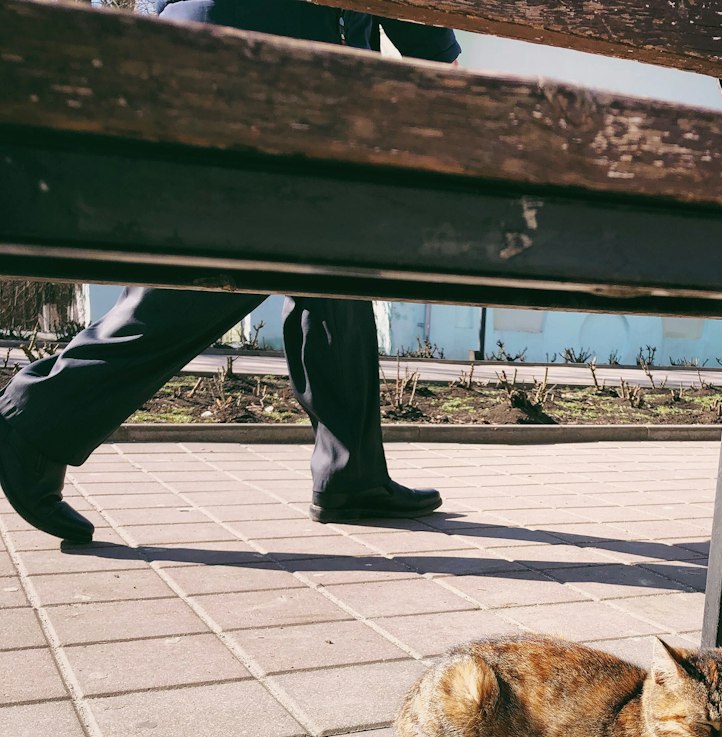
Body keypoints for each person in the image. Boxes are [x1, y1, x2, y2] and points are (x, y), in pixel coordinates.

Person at [0, 0, 460, 545]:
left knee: (334, 265)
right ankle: (37, 414)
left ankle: (352, 473)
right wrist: (438, 61)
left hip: (210, 48)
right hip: (275, 60)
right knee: (238, 260)